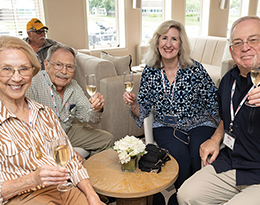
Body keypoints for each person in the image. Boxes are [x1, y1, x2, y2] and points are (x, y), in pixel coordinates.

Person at [123, 20, 219, 204]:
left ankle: (188, 197)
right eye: (164, 38)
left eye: (174, 39)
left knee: (198, 154)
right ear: (157, 42)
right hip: (166, 125)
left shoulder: (195, 69)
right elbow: (141, 109)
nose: (168, 44)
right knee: (180, 159)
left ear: (181, 44)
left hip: (199, 122)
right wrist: (133, 104)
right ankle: (184, 196)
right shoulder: (150, 72)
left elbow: (214, 100)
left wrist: (224, 130)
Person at [0, 35, 104, 204]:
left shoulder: (46, 113)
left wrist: (92, 196)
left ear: (32, 72)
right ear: (46, 66)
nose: (17, 77)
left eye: (24, 69)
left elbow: (70, 161)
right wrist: (32, 179)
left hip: (63, 188)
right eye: (7, 69)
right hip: (22, 197)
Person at [178, 16, 260, 205]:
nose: (245, 47)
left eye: (253, 39)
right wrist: (215, 138)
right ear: (231, 50)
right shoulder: (228, 79)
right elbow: (227, 117)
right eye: (238, 43)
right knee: (185, 195)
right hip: (233, 162)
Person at [25, 43, 114, 158]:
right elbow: (27, 131)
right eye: (58, 65)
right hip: (43, 138)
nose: (64, 71)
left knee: (107, 139)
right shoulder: (32, 85)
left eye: (69, 67)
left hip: (66, 131)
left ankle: (92, 171)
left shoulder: (73, 86)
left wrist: (97, 109)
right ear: (46, 65)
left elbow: (89, 116)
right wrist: (67, 150)